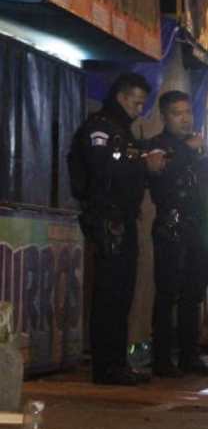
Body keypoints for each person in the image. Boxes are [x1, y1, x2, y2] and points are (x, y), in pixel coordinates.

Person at [68, 73, 167, 385]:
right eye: (136, 102)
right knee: (111, 293)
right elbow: (102, 169)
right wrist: (142, 164)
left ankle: (115, 363)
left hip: (123, 218)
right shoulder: (100, 127)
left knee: (122, 293)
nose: (139, 109)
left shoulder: (122, 131)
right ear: (122, 97)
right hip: (107, 219)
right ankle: (107, 367)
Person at [147, 90, 208, 378]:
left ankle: (189, 356)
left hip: (198, 226)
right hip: (171, 225)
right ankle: (161, 359)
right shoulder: (158, 146)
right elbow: (161, 176)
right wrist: (188, 151)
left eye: (188, 113)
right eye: (177, 113)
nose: (184, 119)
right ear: (164, 116)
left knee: (193, 293)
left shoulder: (197, 147)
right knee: (168, 292)